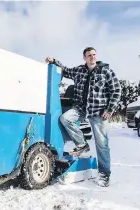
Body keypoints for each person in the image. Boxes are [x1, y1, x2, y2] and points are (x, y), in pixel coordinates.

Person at [45, 47, 121, 187]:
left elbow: (116, 90)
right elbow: (65, 70)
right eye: (89, 55)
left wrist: (110, 109)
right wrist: (54, 61)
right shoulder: (79, 71)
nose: (92, 57)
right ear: (84, 58)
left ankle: (104, 174)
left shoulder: (105, 71)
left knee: (102, 144)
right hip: (81, 109)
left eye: (94, 55)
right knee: (65, 118)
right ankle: (82, 144)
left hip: (98, 111)